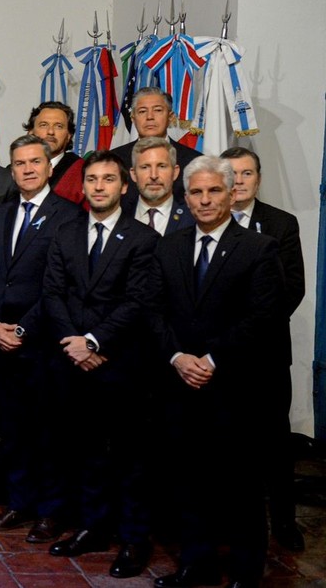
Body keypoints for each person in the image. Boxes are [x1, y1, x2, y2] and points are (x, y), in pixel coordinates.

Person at [151, 156, 281, 588]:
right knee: (189, 479)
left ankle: (246, 569)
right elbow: (153, 310)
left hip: (233, 387)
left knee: (240, 483)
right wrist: (177, 357)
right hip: (181, 384)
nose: (205, 200)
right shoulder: (169, 246)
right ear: (185, 198)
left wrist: (210, 359)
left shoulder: (258, 248)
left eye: (213, 191)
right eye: (196, 192)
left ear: (230, 193)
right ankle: (196, 563)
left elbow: (262, 317)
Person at [40, 151, 158, 578]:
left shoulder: (143, 238)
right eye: (92, 179)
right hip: (72, 361)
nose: (99, 186)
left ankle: (133, 539)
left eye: (108, 179)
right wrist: (75, 344)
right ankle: (93, 527)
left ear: (125, 186)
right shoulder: (65, 232)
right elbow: (52, 292)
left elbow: (138, 301)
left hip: (119, 363)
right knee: (85, 451)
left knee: (129, 457)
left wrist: (94, 342)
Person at [0, 134, 80, 543]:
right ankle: (18, 504)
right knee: (13, 429)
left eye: (35, 161)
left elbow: (61, 285)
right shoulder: (1, 214)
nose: (28, 169)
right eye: (19, 163)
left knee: (48, 432)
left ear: (50, 166)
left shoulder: (68, 216)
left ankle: (51, 512)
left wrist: (22, 329)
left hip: (43, 343)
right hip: (1, 343)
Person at [222, 146, 306, 553]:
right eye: (232, 174)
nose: (239, 181)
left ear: (258, 179)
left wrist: (248, 330)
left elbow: (292, 288)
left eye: (247, 173)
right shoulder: (206, 219)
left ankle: (285, 521)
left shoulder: (280, 223)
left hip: (265, 354)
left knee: (274, 443)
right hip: (217, 355)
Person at [111, 87, 201, 203]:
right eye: (142, 111)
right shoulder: (113, 160)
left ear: (170, 117)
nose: (150, 117)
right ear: (133, 118)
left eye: (157, 110)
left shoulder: (195, 161)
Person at [122, 137, 194, 237]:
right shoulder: (121, 215)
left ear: (175, 172)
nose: (154, 175)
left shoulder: (193, 217)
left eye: (162, 166)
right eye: (145, 167)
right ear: (133, 174)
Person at [23, 101, 84, 204]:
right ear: (31, 132)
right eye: (43, 125)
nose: (50, 132)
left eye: (58, 126)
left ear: (68, 136)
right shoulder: (13, 172)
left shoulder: (82, 171)